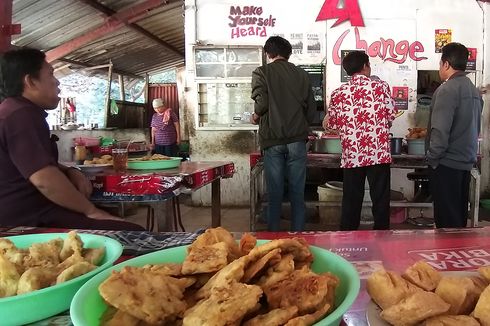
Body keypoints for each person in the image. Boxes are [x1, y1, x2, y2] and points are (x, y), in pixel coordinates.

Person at [0, 48, 144, 230]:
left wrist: (70, 170)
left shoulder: (13, 111)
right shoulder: (21, 116)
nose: (57, 82)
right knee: (134, 233)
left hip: (35, 211)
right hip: (27, 219)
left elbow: (31, 165)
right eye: (51, 74)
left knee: (114, 219)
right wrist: (90, 211)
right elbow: (44, 180)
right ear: (30, 81)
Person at [323, 51, 396, 231]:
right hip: (378, 153)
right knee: (380, 197)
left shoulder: (339, 93)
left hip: (352, 153)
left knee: (351, 199)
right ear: (365, 66)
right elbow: (391, 116)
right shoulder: (381, 87)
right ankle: (382, 234)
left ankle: (348, 237)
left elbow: (331, 124)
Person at [251, 36, 316, 232]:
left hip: (273, 140)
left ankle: (274, 238)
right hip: (297, 139)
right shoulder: (302, 75)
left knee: (275, 192)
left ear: (268, 53)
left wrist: (255, 115)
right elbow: (311, 111)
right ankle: (298, 236)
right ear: (288, 53)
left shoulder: (261, 72)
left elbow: (261, 103)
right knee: (298, 192)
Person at [426, 42, 483, 228]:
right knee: (458, 220)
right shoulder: (473, 90)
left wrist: (433, 159)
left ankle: (446, 255)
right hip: (465, 162)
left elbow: (440, 131)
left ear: (446, 64)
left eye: (440, 63)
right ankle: (458, 255)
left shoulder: (447, 90)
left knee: (446, 222)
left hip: (446, 164)